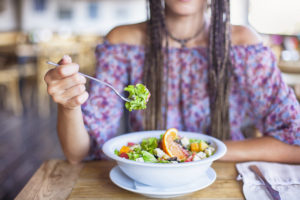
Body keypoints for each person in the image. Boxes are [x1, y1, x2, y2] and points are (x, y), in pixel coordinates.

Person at [44, 0, 300, 164]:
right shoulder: (123, 41)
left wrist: (199, 154)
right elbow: (78, 153)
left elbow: (295, 143)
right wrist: (69, 105)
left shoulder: (243, 44)